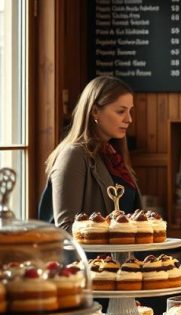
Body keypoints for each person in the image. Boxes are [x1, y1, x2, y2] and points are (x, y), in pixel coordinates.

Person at [42, 76, 140, 230]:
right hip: (88, 255)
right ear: (95, 111)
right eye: (121, 111)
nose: (129, 119)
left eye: (129, 111)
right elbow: (65, 228)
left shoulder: (113, 156)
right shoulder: (73, 156)